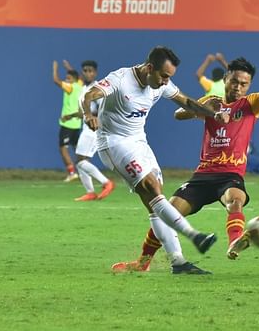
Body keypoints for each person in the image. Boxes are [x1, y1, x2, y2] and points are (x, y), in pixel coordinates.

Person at [112, 57, 259, 272]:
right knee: (168, 214)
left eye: (244, 84)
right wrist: (202, 108)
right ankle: (143, 263)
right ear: (226, 78)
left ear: (249, 86)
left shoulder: (251, 104)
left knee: (235, 200)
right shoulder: (212, 101)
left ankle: (235, 241)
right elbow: (179, 114)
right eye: (235, 81)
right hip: (203, 175)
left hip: (230, 175)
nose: (238, 87)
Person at [82, 46, 230, 274]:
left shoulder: (161, 84)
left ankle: (178, 262)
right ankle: (195, 236)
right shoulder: (121, 79)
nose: (165, 82)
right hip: (114, 143)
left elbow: (186, 101)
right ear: (149, 68)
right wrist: (88, 114)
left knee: (155, 202)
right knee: (152, 187)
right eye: (163, 76)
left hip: (139, 142)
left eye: (169, 77)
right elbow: (90, 94)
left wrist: (214, 114)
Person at [61, 60, 115, 201]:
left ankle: (106, 183)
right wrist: (71, 115)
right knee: (81, 160)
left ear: (95, 73)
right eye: (85, 70)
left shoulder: (97, 89)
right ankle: (90, 192)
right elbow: (84, 112)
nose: (87, 73)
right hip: (86, 128)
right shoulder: (84, 89)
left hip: (94, 129)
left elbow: (102, 111)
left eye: (90, 70)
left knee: (80, 161)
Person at [53, 60, 83, 182]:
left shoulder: (70, 87)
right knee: (77, 149)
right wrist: (68, 67)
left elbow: (56, 81)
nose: (66, 80)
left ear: (73, 80)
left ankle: (72, 173)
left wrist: (55, 68)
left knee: (63, 148)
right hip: (77, 124)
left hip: (67, 124)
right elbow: (78, 76)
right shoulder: (80, 85)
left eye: (68, 78)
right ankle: (83, 171)